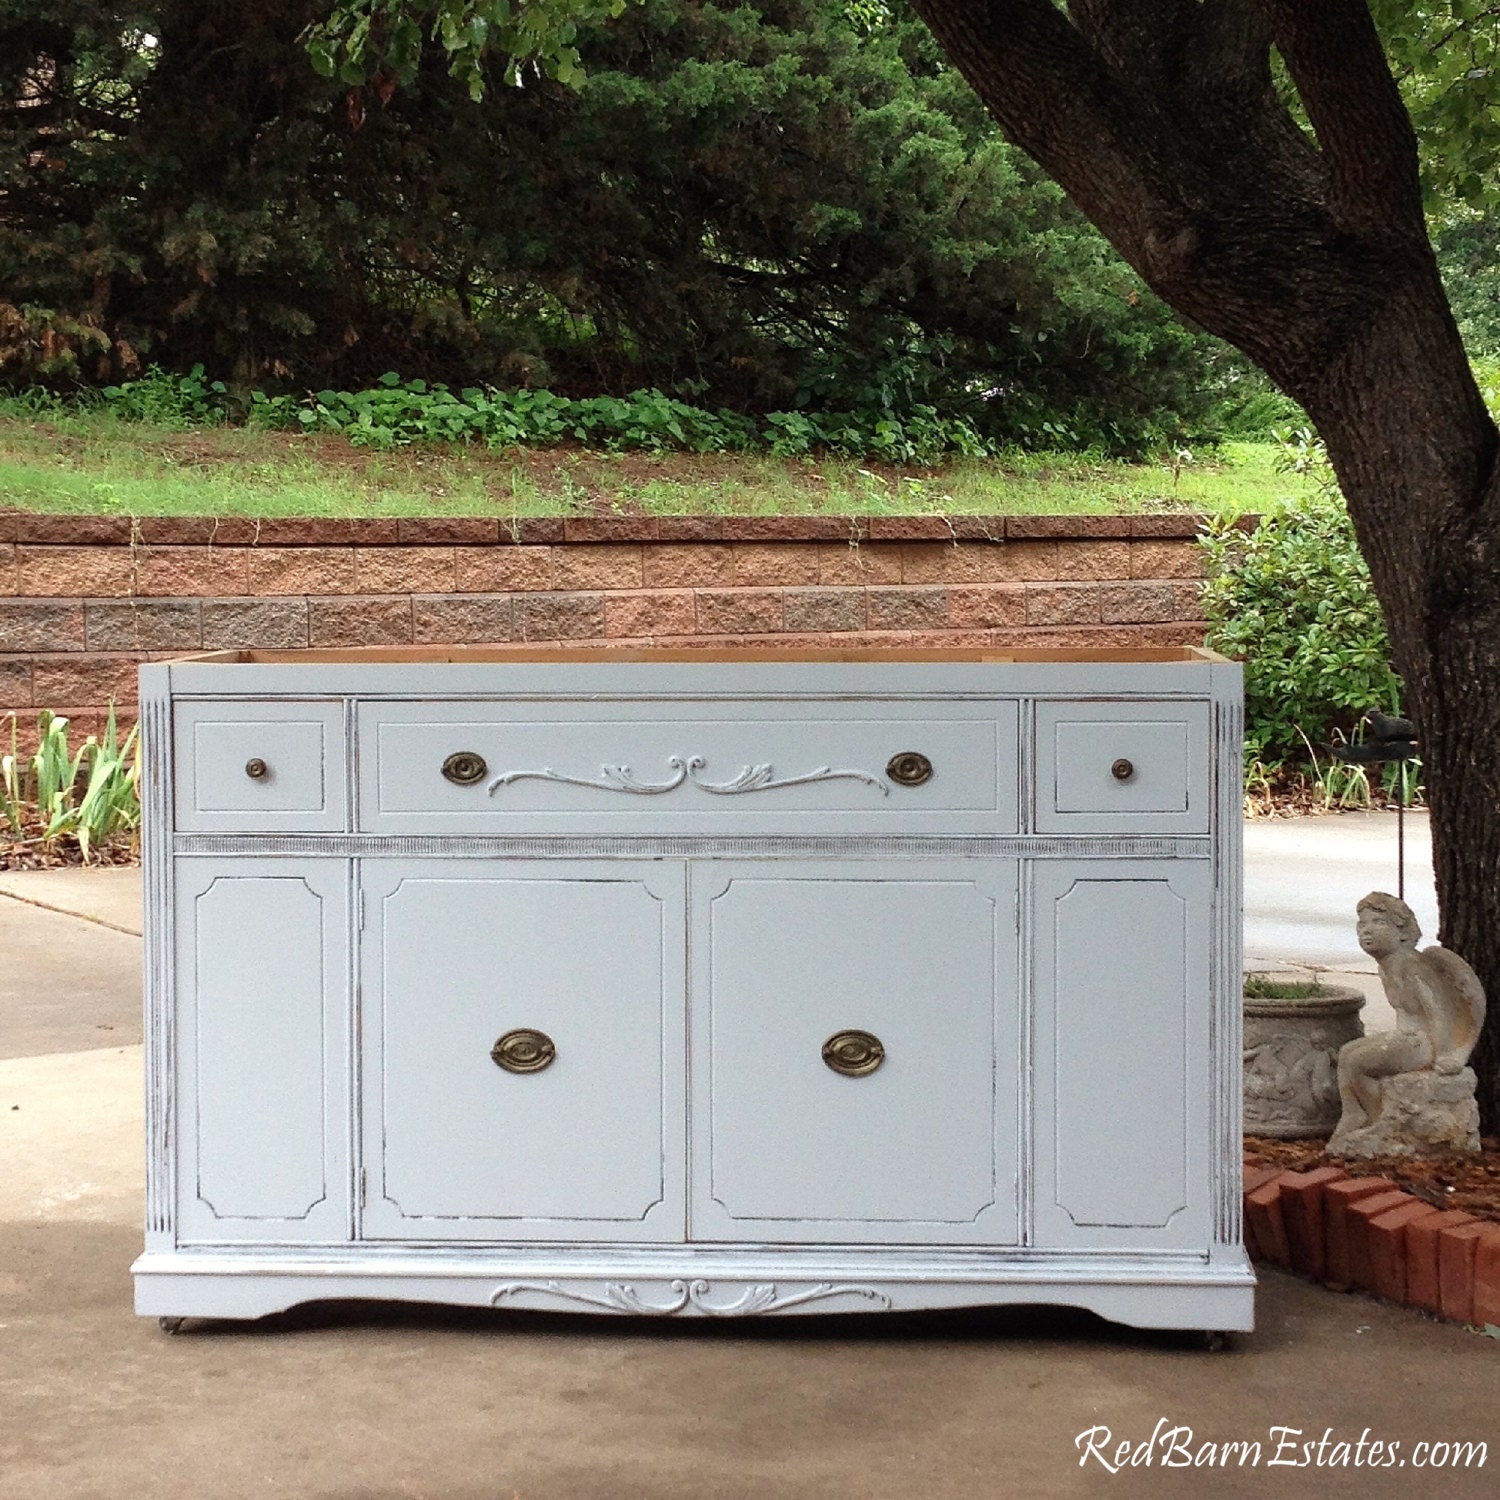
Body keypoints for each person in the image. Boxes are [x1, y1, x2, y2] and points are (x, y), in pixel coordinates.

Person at [1330, 892, 1485, 1147]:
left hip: (1422, 1044)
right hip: (1405, 1038)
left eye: (1378, 923)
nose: (1366, 931)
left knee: (1357, 1062)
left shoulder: (1413, 967)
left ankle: (1378, 1118)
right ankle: (1355, 1113)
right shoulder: (1387, 966)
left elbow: (1438, 1013)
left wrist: (1449, 1054)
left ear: (1402, 932)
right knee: (1346, 1052)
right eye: (1362, 924)